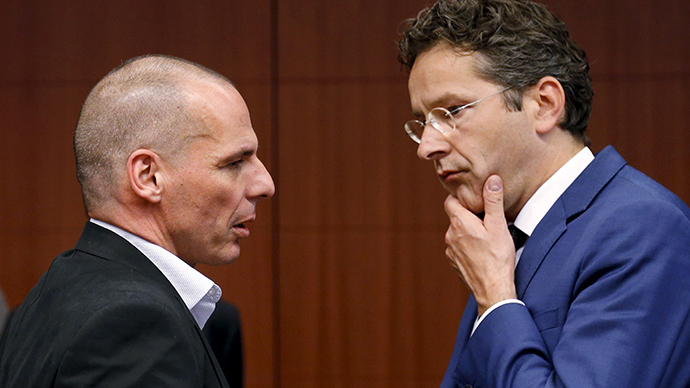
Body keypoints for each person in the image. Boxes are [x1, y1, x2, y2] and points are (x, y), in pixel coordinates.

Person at [398, 0, 690, 387]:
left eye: (451, 111)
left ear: (545, 104)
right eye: (422, 122)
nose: (427, 146)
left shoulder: (641, 226)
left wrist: (497, 298)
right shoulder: (508, 233)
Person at [0, 55, 274, 387]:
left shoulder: (50, 295)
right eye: (234, 162)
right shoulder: (135, 323)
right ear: (148, 176)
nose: (265, 184)